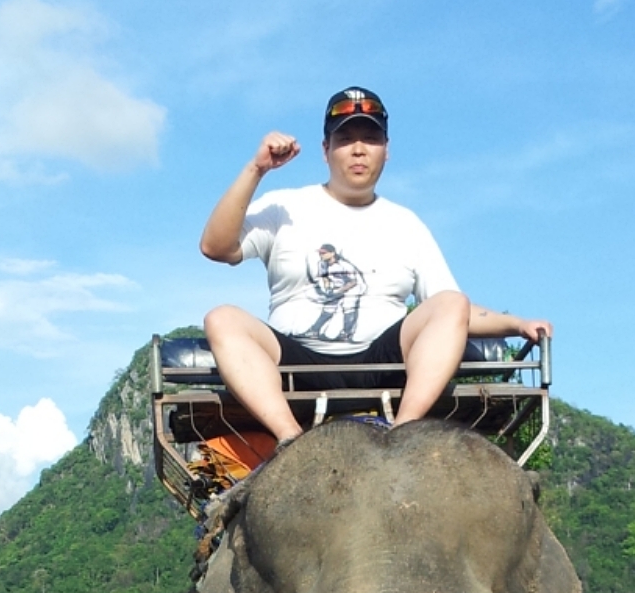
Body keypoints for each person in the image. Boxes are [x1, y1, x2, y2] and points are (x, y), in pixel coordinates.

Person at [199, 87, 552, 445]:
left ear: (386, 150)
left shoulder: (406, 224)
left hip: (382, 362)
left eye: (370, 139)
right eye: (345, 139)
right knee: (222, 318)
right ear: (325, 150)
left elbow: (452, 311)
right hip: (294, 362)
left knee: (452, 302)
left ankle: (403, 430)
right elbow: (215, 246)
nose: (358, 149)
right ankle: (290, 439)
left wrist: (517, 324)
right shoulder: (284, 207)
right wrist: (257, 169)